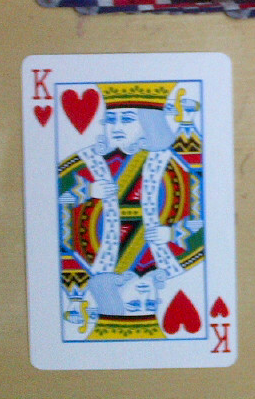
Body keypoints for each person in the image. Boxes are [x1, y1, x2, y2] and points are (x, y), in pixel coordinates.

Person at [58, 82, 204, 339]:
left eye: (126, 120)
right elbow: (54, 200)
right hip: (109, 262)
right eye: (110, 120)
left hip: (144, 259)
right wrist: (88, 192)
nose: (116, 128)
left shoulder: (172, 163)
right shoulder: (88, 161)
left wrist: (171, 234)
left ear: (148, 123)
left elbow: (204, 220)